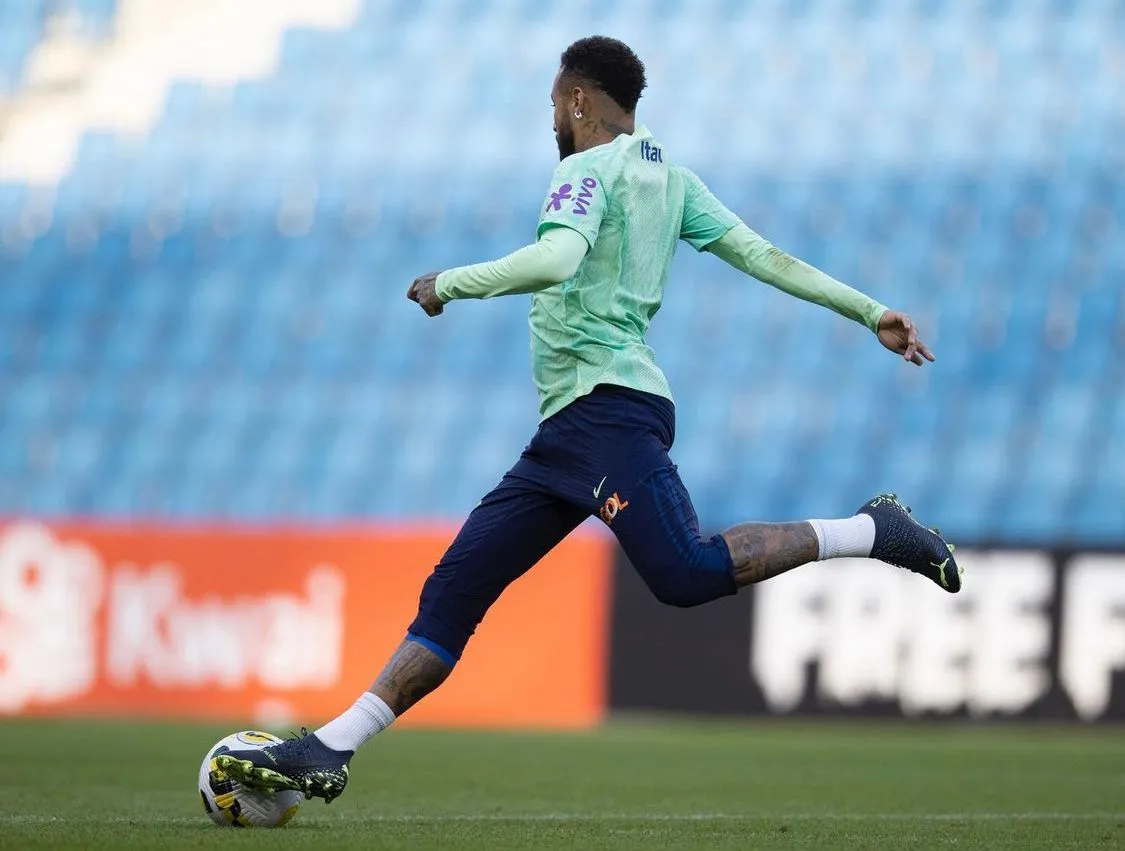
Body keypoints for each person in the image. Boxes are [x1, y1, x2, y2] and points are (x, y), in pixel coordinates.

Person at [217, 35, 961, 802]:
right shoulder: (672, 179)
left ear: (577, 100)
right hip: (562, 437)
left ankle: (870, 529)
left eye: (553, 105)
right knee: (453, 590)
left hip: (607, 413)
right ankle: (330, 747)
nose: (553, 120)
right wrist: (869, 311)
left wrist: (451, 282)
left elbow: (554, 260)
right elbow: (764, 256)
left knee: (685, 573)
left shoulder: (583, 169)